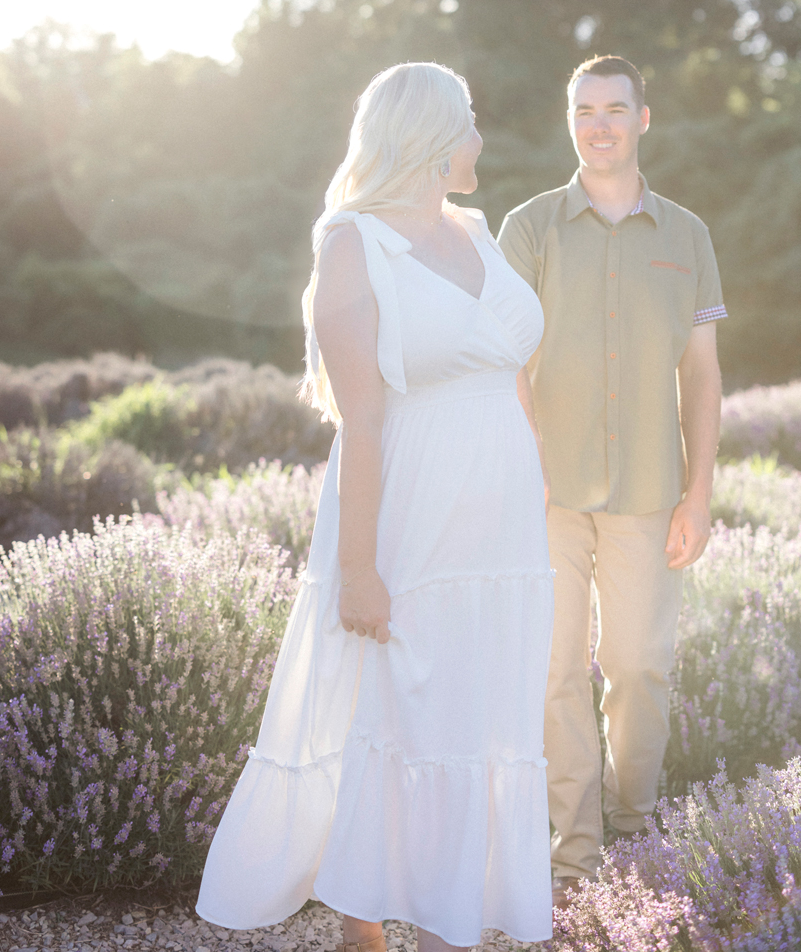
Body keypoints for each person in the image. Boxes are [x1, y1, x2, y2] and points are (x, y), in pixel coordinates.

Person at [197, 62, 555, 952]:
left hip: (501, 531)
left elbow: (510, 375)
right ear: (431, 137)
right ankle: (367, 926)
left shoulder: (477, 231)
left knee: (475, 714)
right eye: (468, 123)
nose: (479, 140)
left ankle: (448, 919)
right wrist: (358, 567)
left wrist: (534, 485)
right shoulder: (351, 241)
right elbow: (361, 416)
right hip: (409, 509)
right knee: (390, 709)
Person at [497, 54, 726, 906]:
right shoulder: (529, 227)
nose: (599, 123)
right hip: (546, 497)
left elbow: (700, 374)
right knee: (556, 673)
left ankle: (634, 829)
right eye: (584, 110)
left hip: (649, 495)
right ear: (571, 121)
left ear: (643, 118)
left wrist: (698, 494)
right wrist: (524, 468)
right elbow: (504, 359)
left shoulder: (688, 235)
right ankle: (574, 855)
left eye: (614, 109)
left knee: (637, 667)